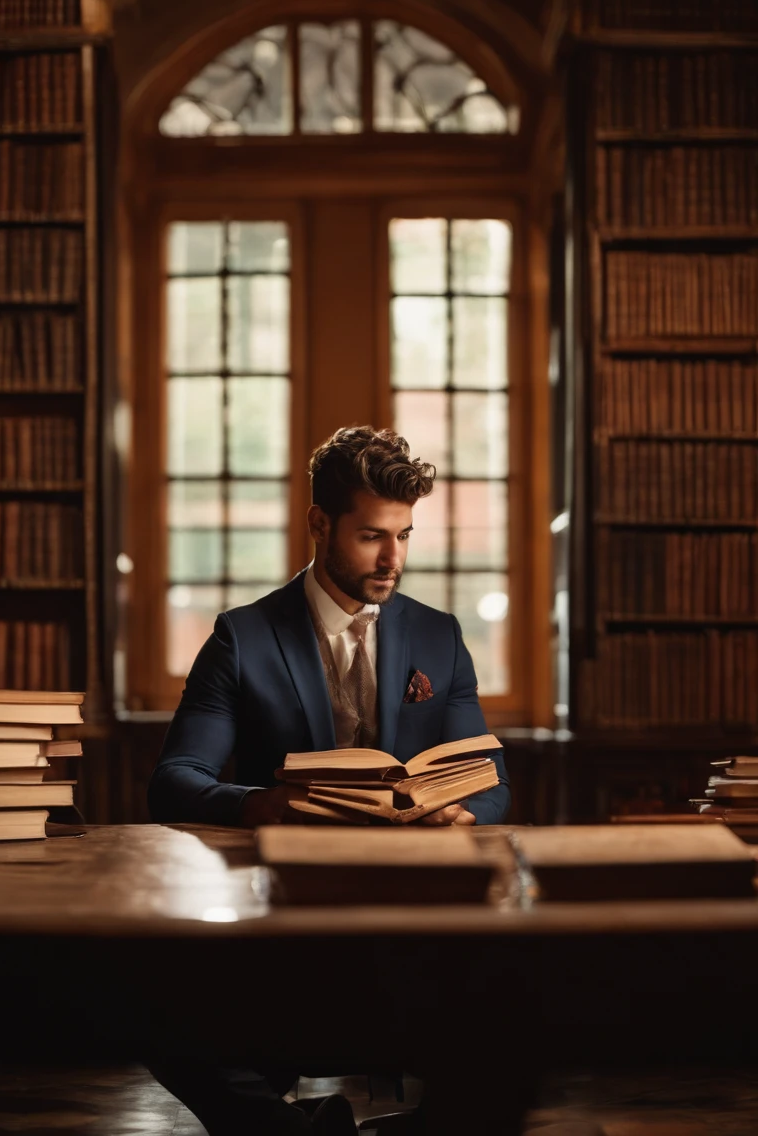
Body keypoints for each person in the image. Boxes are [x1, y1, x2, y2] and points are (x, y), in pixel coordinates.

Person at [146, 425, 511, 1135]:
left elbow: (491, 780)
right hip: (283, 934)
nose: (393, 558)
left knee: (532, 1019)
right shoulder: (242, 638)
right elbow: (174, 781)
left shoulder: (439, 635)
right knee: (157, 1022)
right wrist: (262, 806)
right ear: (319, 522)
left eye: (404, 535)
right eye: (373, 535)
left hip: (419, 928)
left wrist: (460, 811)